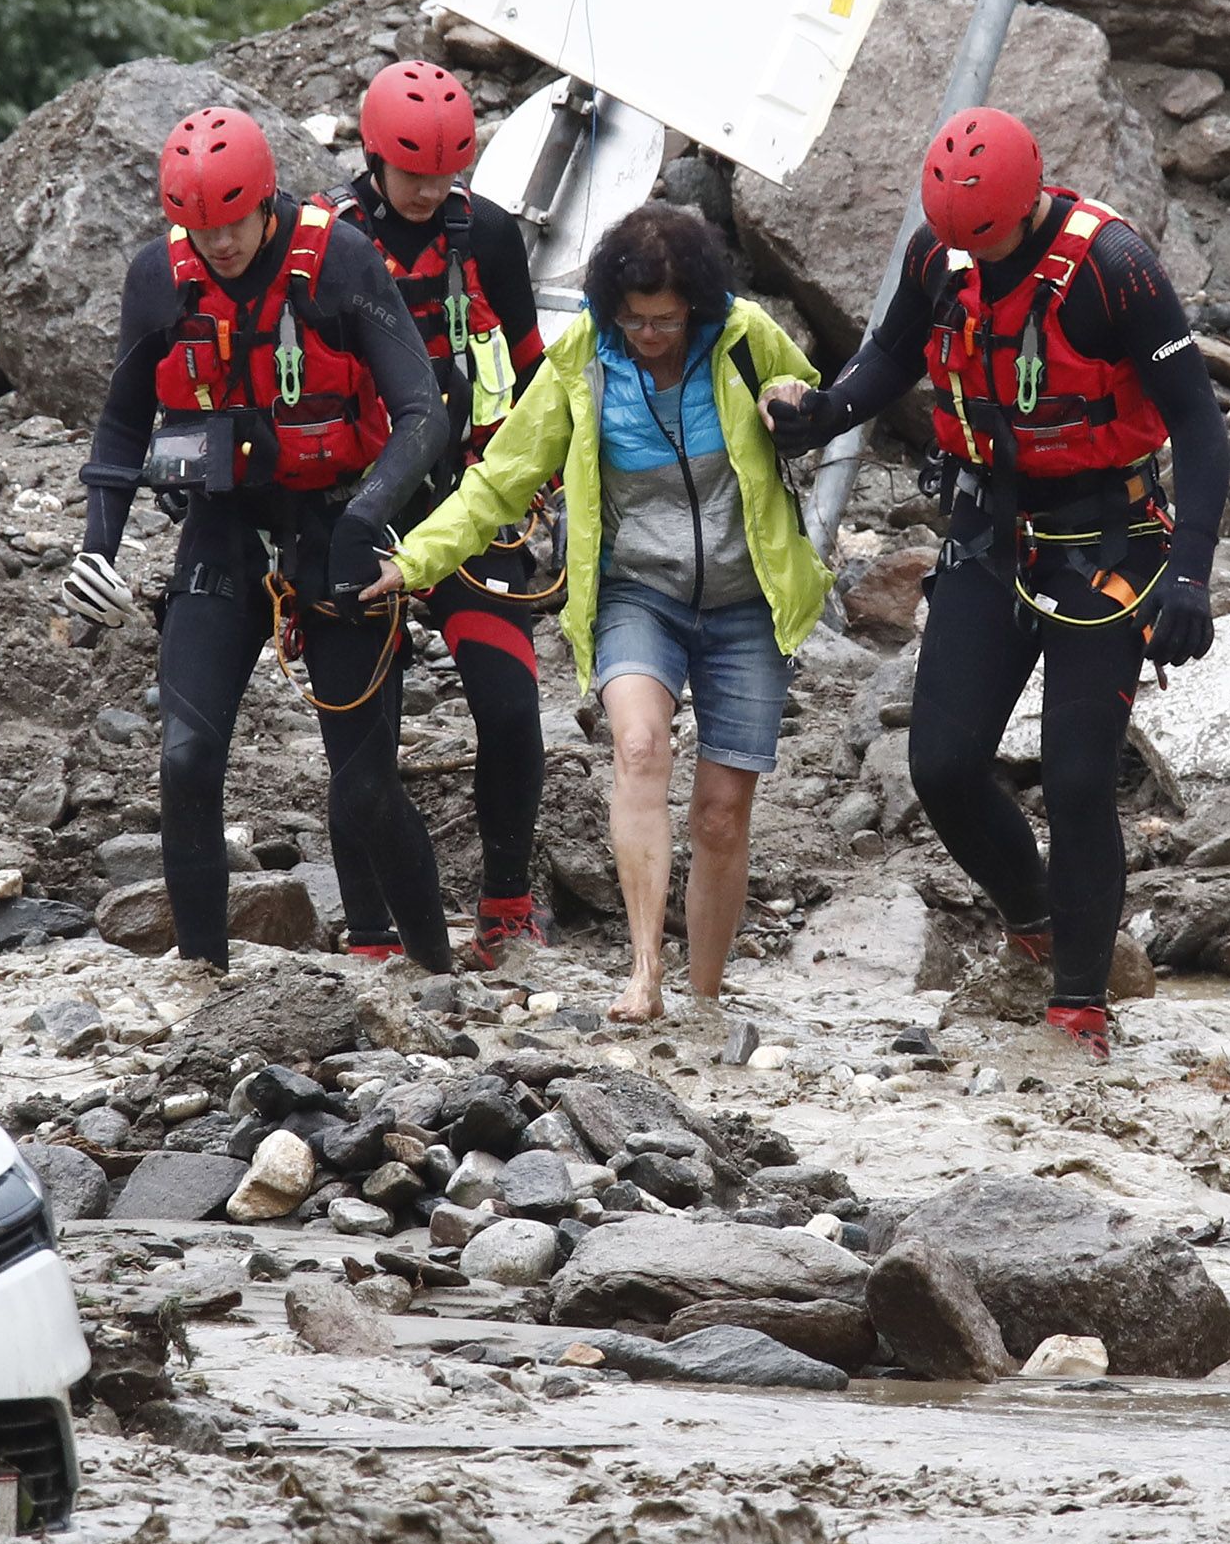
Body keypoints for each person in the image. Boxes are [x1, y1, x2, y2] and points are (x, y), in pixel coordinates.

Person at [764, 108, 1230, 1061]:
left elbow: (1200, 422)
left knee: (1075, 775)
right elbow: (889, 357)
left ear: (1025, 206)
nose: (968, 258)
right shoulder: (942, 257)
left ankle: (1077, 1010)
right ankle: (1036, 923)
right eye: (954, 242)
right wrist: (823, 413)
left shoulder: (1116, 268)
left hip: (1110, 541)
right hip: (988, 533)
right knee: (939, 764)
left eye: (985, 241)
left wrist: (1191, 574)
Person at [364, 203, 827, 1023]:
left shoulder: (746, 337)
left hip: (746, 600)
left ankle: (708, 999)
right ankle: (646, 975)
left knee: (720, 815)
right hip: (636, 594)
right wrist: (413, 560)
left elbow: (817, 406)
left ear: (697, 304)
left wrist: (794, 400)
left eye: (666, 319)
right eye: (634, 319)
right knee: (640, 747)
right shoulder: (583, 357)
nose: (649, 334)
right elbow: (500, 480)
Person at [62, 108, 454, 973]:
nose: (220, 245)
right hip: (222, 531)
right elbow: (122, 432)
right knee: (189, 759)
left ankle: (436, 977)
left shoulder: (341, 259)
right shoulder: (157, 280)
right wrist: (98, 547)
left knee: (364, 787)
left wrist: (366, 520)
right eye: (200, 231)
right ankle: (202, 983)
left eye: (233, 224)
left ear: (267, 200)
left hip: (340, 529)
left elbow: (425, 411)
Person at [326, 63, 551, 970]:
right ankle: (372, 926)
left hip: (467, 504)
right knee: (363, 723)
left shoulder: (486, 234)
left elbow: (535, 366)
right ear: (373, 158)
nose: (429, 192)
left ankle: (507, 901)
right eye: (413, 173)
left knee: (510, 707)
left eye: (447, 174)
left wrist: (546, 476)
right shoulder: (331, 243)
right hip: (362, 506)